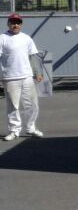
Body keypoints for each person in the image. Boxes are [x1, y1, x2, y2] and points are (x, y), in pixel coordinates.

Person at [1, 13, 44, 141]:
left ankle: (31, 128)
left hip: (27, 77)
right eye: (13, 22)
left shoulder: (27, 38)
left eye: (18, 23)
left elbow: (32, 56)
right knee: (13, 106)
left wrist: (38, 72)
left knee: (32, 104)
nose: (15, 25)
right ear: (8, 24)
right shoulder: (2, 38)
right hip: (10, 77)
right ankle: (14, 131)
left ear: (21, 25)